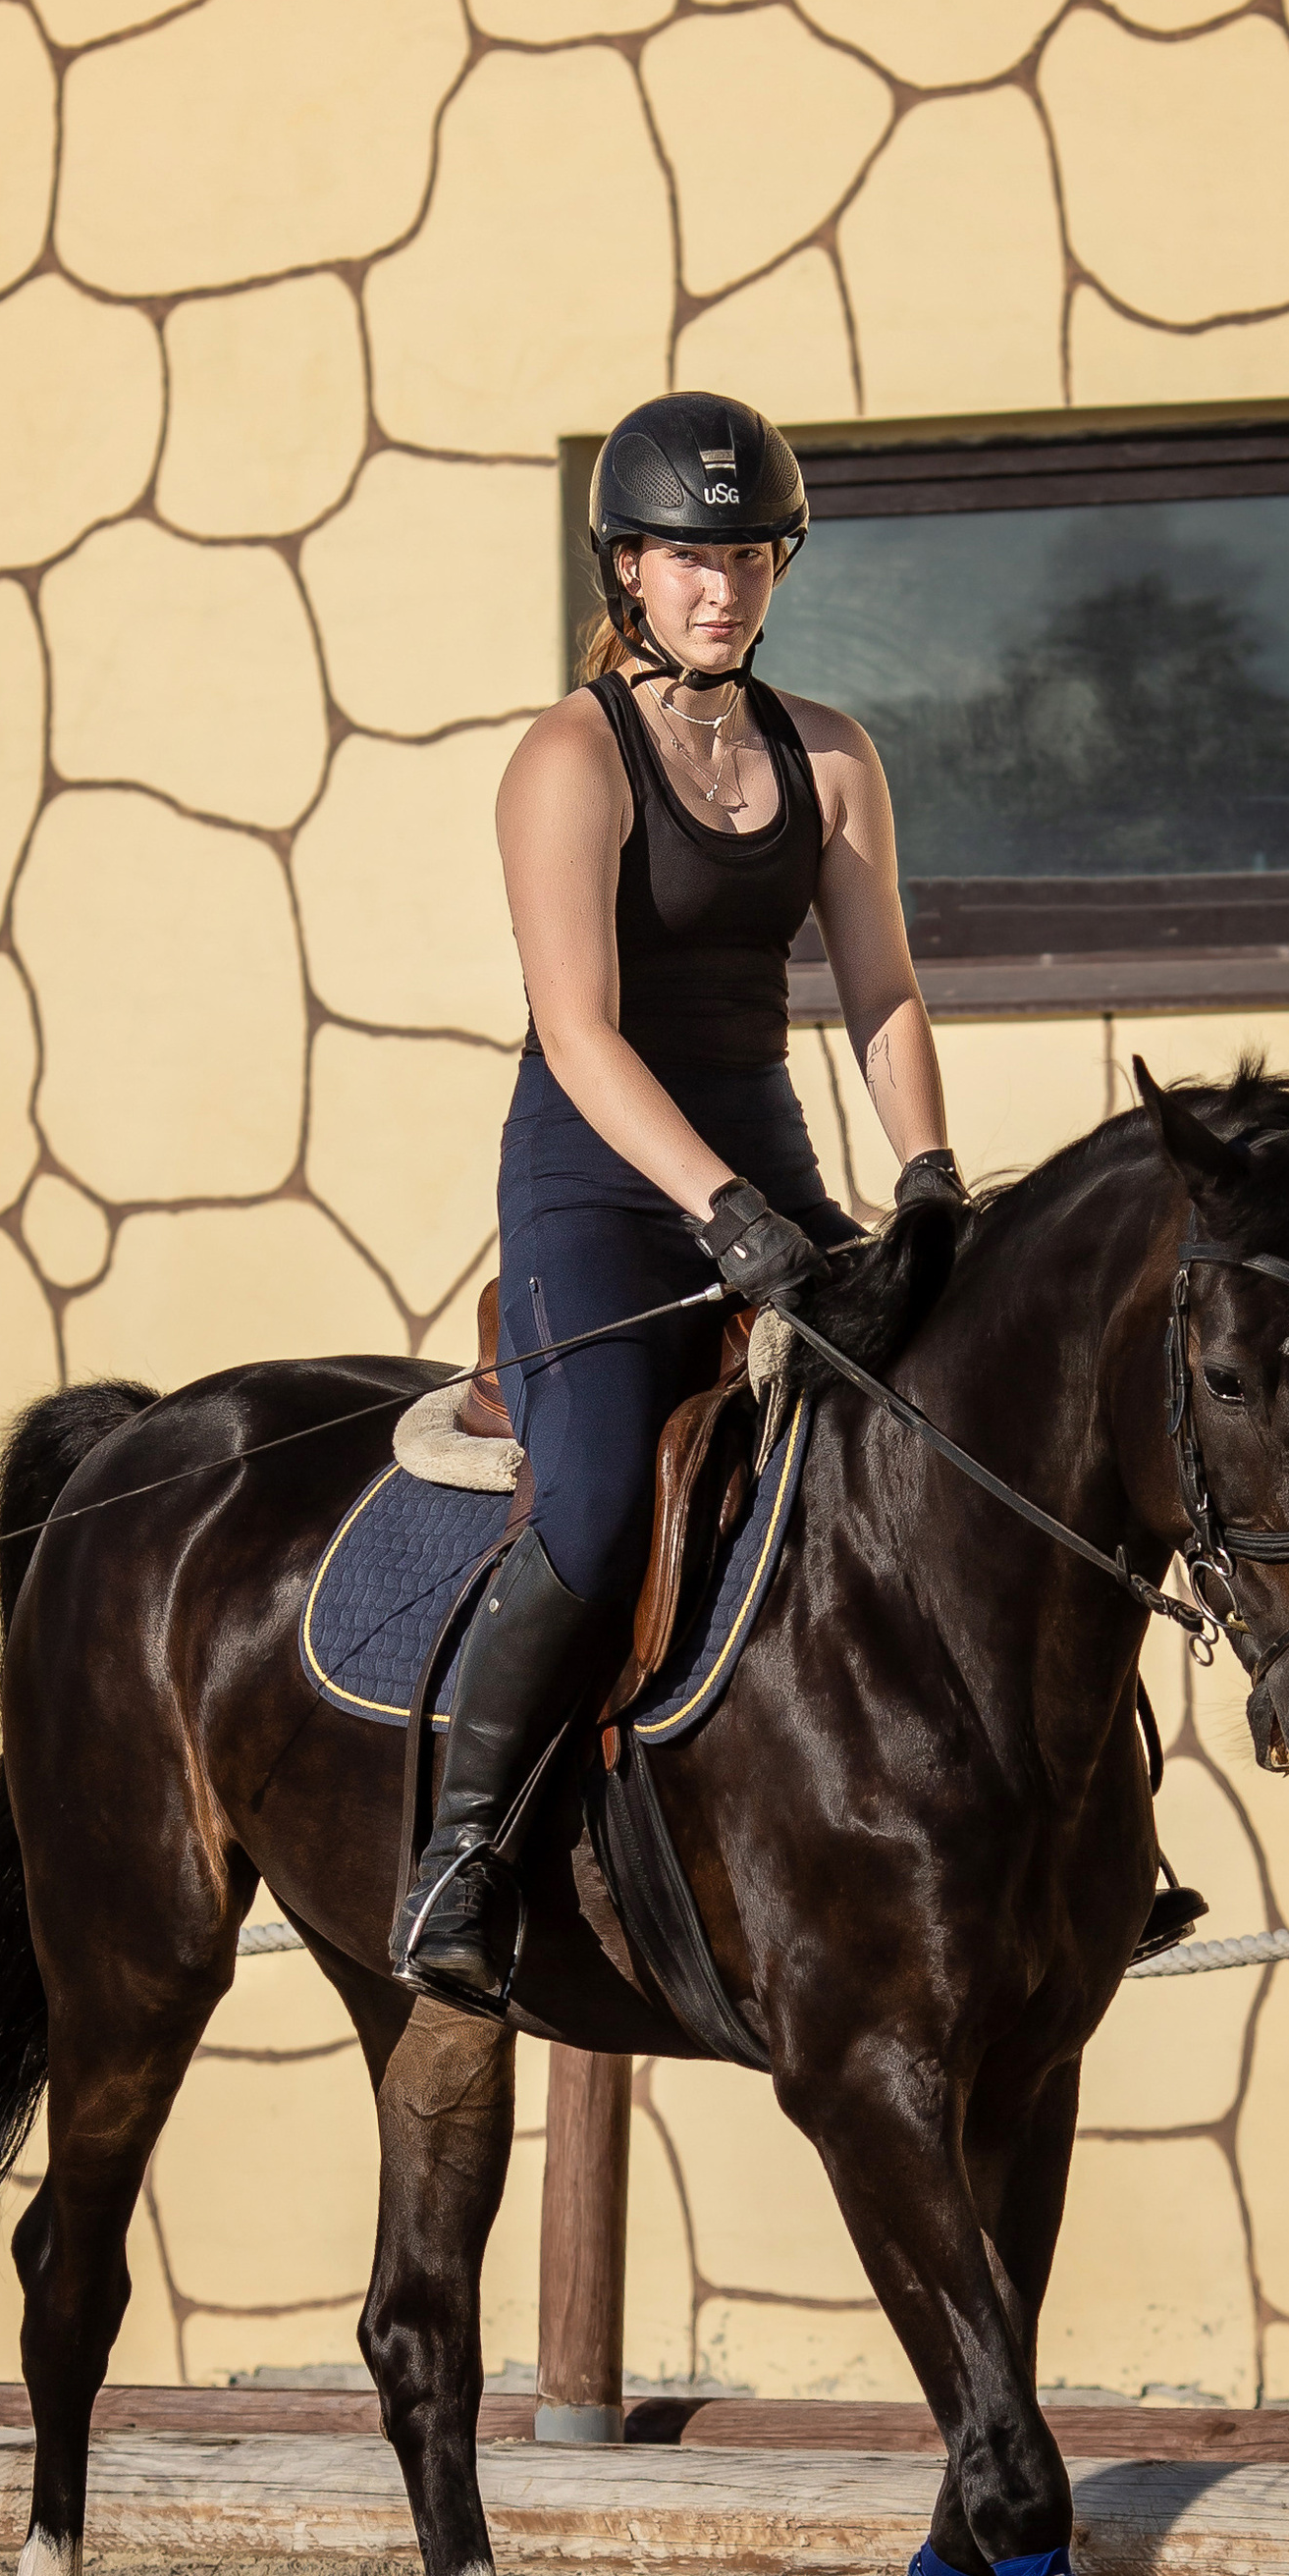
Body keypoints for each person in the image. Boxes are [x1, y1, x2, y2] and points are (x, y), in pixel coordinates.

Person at [390, 391, 963, 2013]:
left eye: (746, 557)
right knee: (590, 1507)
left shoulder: (832, 753)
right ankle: (464, 1854)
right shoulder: (569, 755)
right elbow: (577, 1026)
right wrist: (721, 1212)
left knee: (949, 1437)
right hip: (599, 1182)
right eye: (686, 557)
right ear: (627, 568)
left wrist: (922, 1182)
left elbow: (886, 992)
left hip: (767, 1168)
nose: (720, 587)